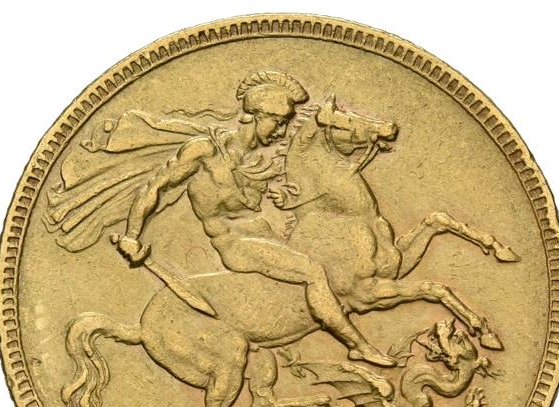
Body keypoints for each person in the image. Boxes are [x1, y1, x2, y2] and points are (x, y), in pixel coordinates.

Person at [84, 71, 393, 367]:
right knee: (312, 271)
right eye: (278, 123)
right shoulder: (205, 151)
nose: (281, 132)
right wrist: (131, 235)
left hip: (269, 237)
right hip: (236, 245)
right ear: (257, 115)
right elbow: (155, 187)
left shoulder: (261, 161)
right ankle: (358, 346)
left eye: (285, 125)